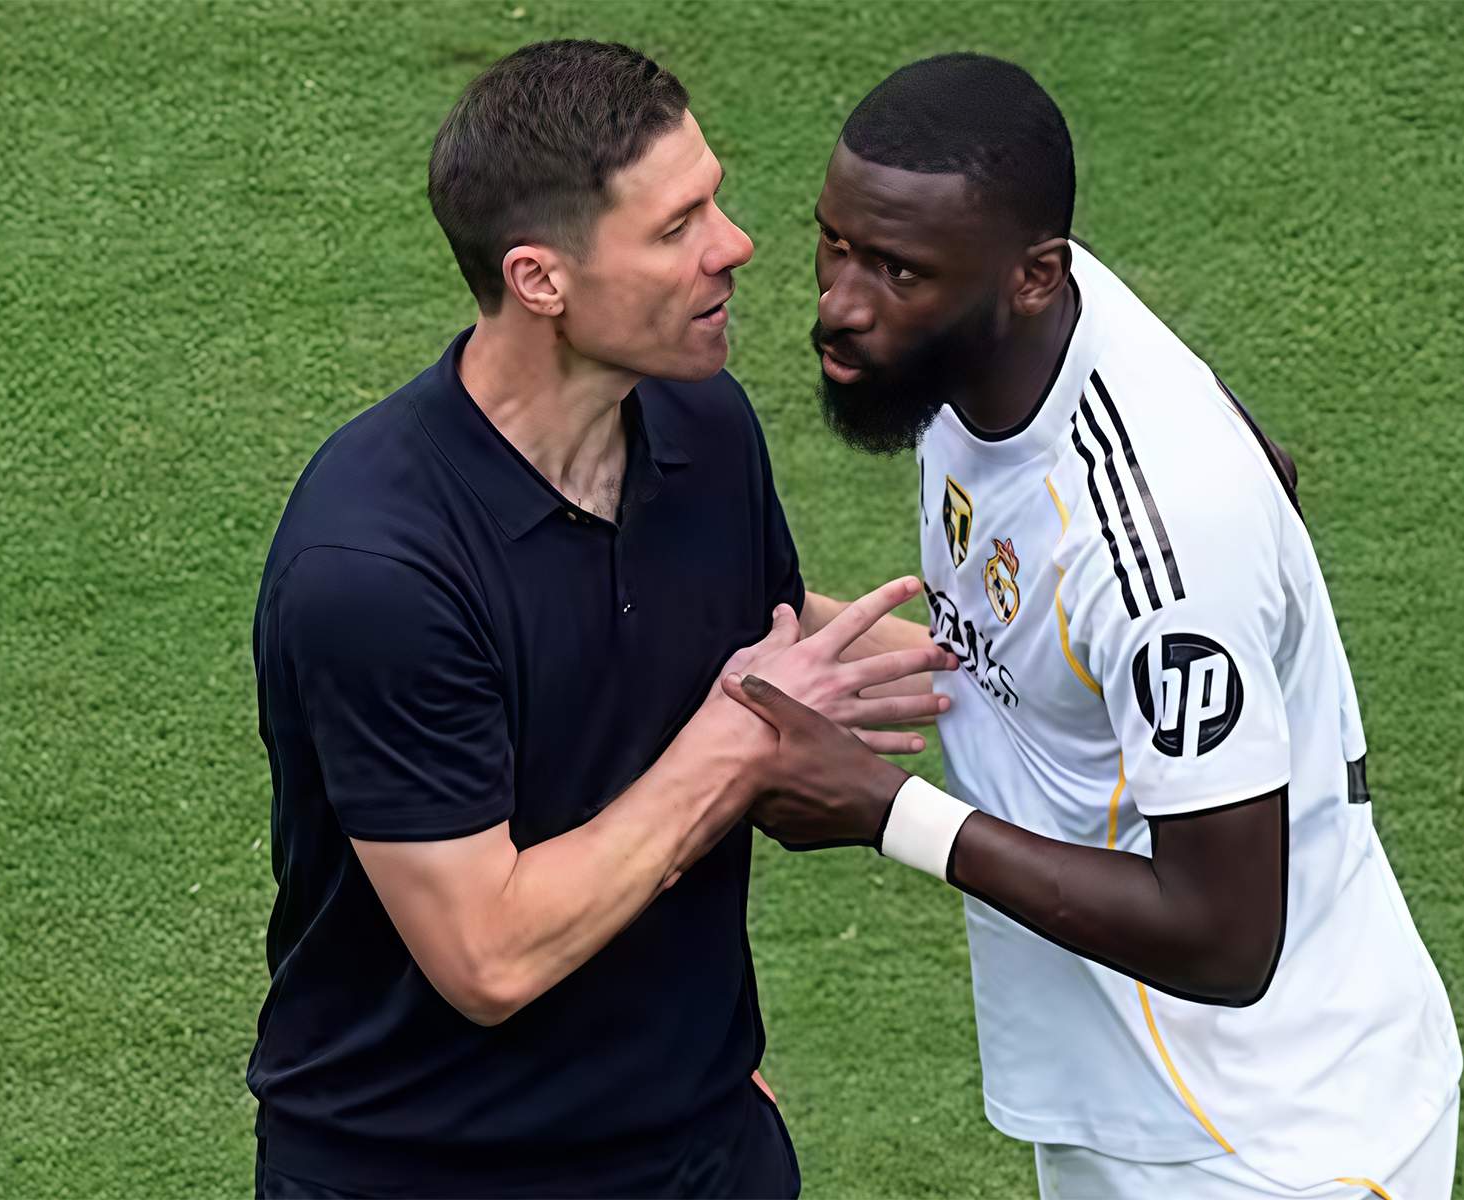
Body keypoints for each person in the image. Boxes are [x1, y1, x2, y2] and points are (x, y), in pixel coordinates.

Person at [726, 54, 1463, 1200]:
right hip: (1131, 1108)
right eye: (833, 244)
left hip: (1269, 1144)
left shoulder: (1159, 530)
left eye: (897, 271)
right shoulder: (1016, 337)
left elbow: (1224, 935)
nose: (841, 303)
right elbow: (1012, 649)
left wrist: (886, 814)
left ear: (1033, 277)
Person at [246, 40, 951, 1198]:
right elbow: (489, 954)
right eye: (675, 229)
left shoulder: (700, 425)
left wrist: (1071, 654)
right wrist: (738, 739)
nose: (734, 245)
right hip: (431, 1173)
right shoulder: (375, 571)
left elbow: (772, 638)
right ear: (540, 280)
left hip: (697, 1152)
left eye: (712, 201)